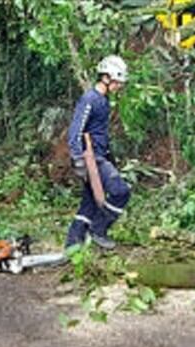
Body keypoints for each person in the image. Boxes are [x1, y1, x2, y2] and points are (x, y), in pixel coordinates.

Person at [65, 55, 132, 250]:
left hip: (101, 156)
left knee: (89, 203)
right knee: (121, 192)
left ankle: (72, 246)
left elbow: (99, 132)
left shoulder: (103, 100)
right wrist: (78, 159)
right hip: (91, 159)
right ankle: (98, 229)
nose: (119, 86)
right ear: (107, 77)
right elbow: (75, 131)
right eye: (117, 81)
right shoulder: (90, 99)